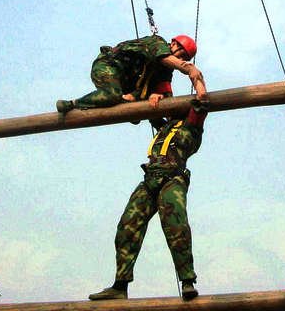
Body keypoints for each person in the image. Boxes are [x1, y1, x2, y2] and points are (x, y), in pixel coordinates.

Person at [88, 98, 209, 301]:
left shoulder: (192, 126)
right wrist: (153, 97)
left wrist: (194, 76)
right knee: (127, 226)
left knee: (175, 225)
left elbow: (202, 100)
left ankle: (187, 280)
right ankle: (120, 285)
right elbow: (150, 105)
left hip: (173, 178)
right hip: (150, 179)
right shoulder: (164, 127)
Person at [57, 34, 206, 113]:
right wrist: (189, 68)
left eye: (183, 56)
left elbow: (166, 90)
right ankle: (73, 104)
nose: (179, 55)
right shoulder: (157, 42)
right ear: (173, 43)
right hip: (109, 64)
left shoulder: (165, 71)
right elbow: (165, 57)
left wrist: (159, 96)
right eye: (179, 49)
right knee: (112, 95)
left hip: (125, 81)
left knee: (142, 103)